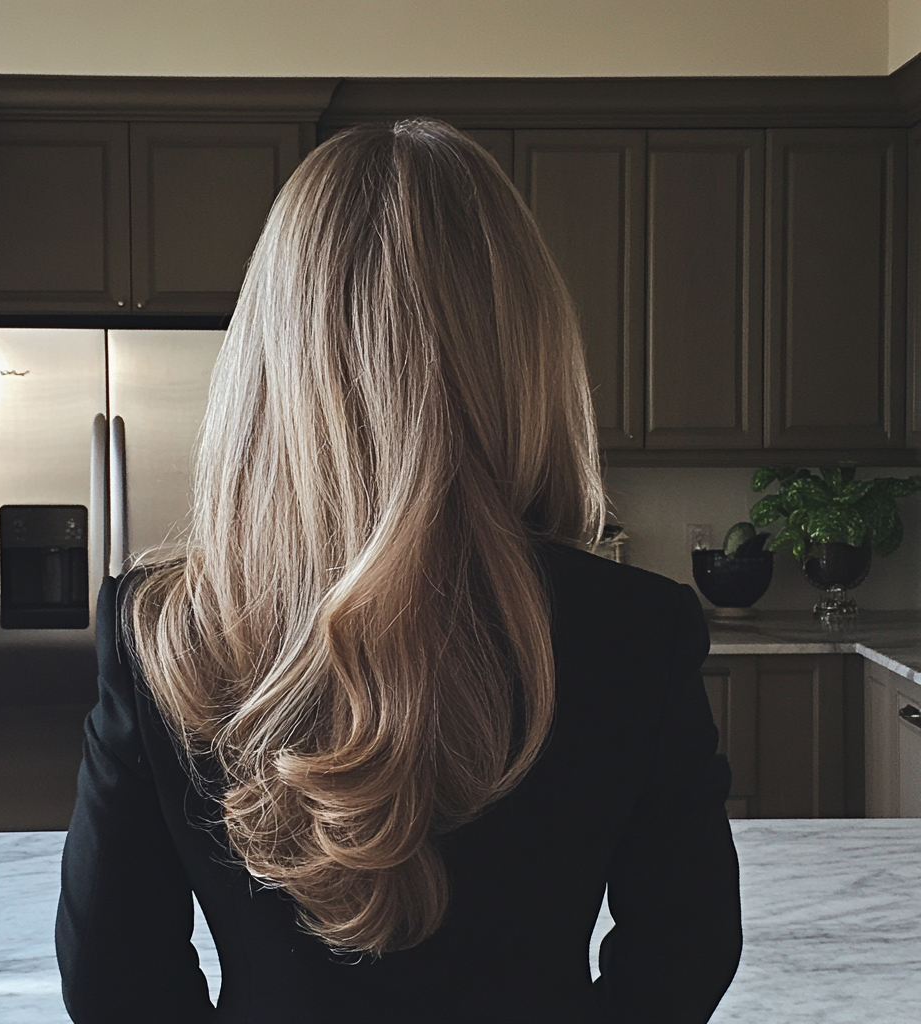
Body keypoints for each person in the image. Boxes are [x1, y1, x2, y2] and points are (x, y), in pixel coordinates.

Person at [56, 118, 742, 1024]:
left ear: (272, 358)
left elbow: (113, 978)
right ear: (525, 352)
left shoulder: (163, 627)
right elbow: (685, 952)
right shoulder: (636, 629)